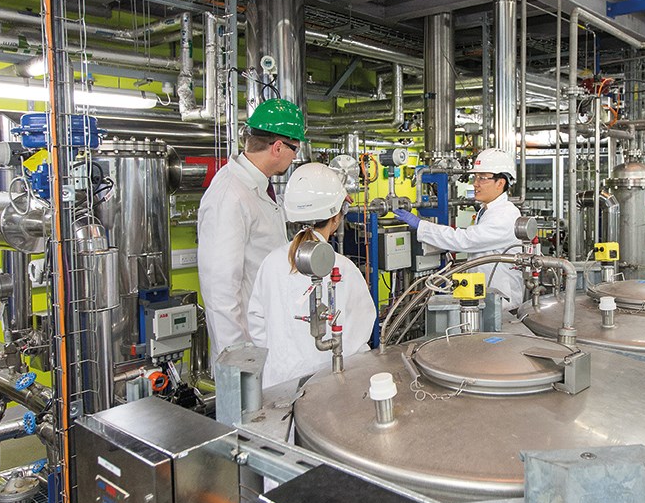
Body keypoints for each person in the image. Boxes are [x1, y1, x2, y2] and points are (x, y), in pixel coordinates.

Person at [248, 163, 376, 388]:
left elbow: (257, 325)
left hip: (277, 385)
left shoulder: (271, 262)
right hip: (328, 390)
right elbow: (359, 339)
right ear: (336, 217)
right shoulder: (343, 269)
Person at [197, 97, 305, 361]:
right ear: (278, 147)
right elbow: (219, 290)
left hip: (269, 334)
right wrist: (239, 362)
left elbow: (274, 216)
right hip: (247, 350)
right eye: (295, 150)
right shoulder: (229, 196)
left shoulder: (257, 187)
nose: (294, 158)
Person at [395, 148, 524, 310]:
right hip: (486, 296)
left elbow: (465, 240)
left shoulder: (505, 215)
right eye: (475, 177)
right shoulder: (488, 210)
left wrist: (420, 225)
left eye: (482, 178)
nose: (475, 183)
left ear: (500, 183)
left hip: (502, 303)